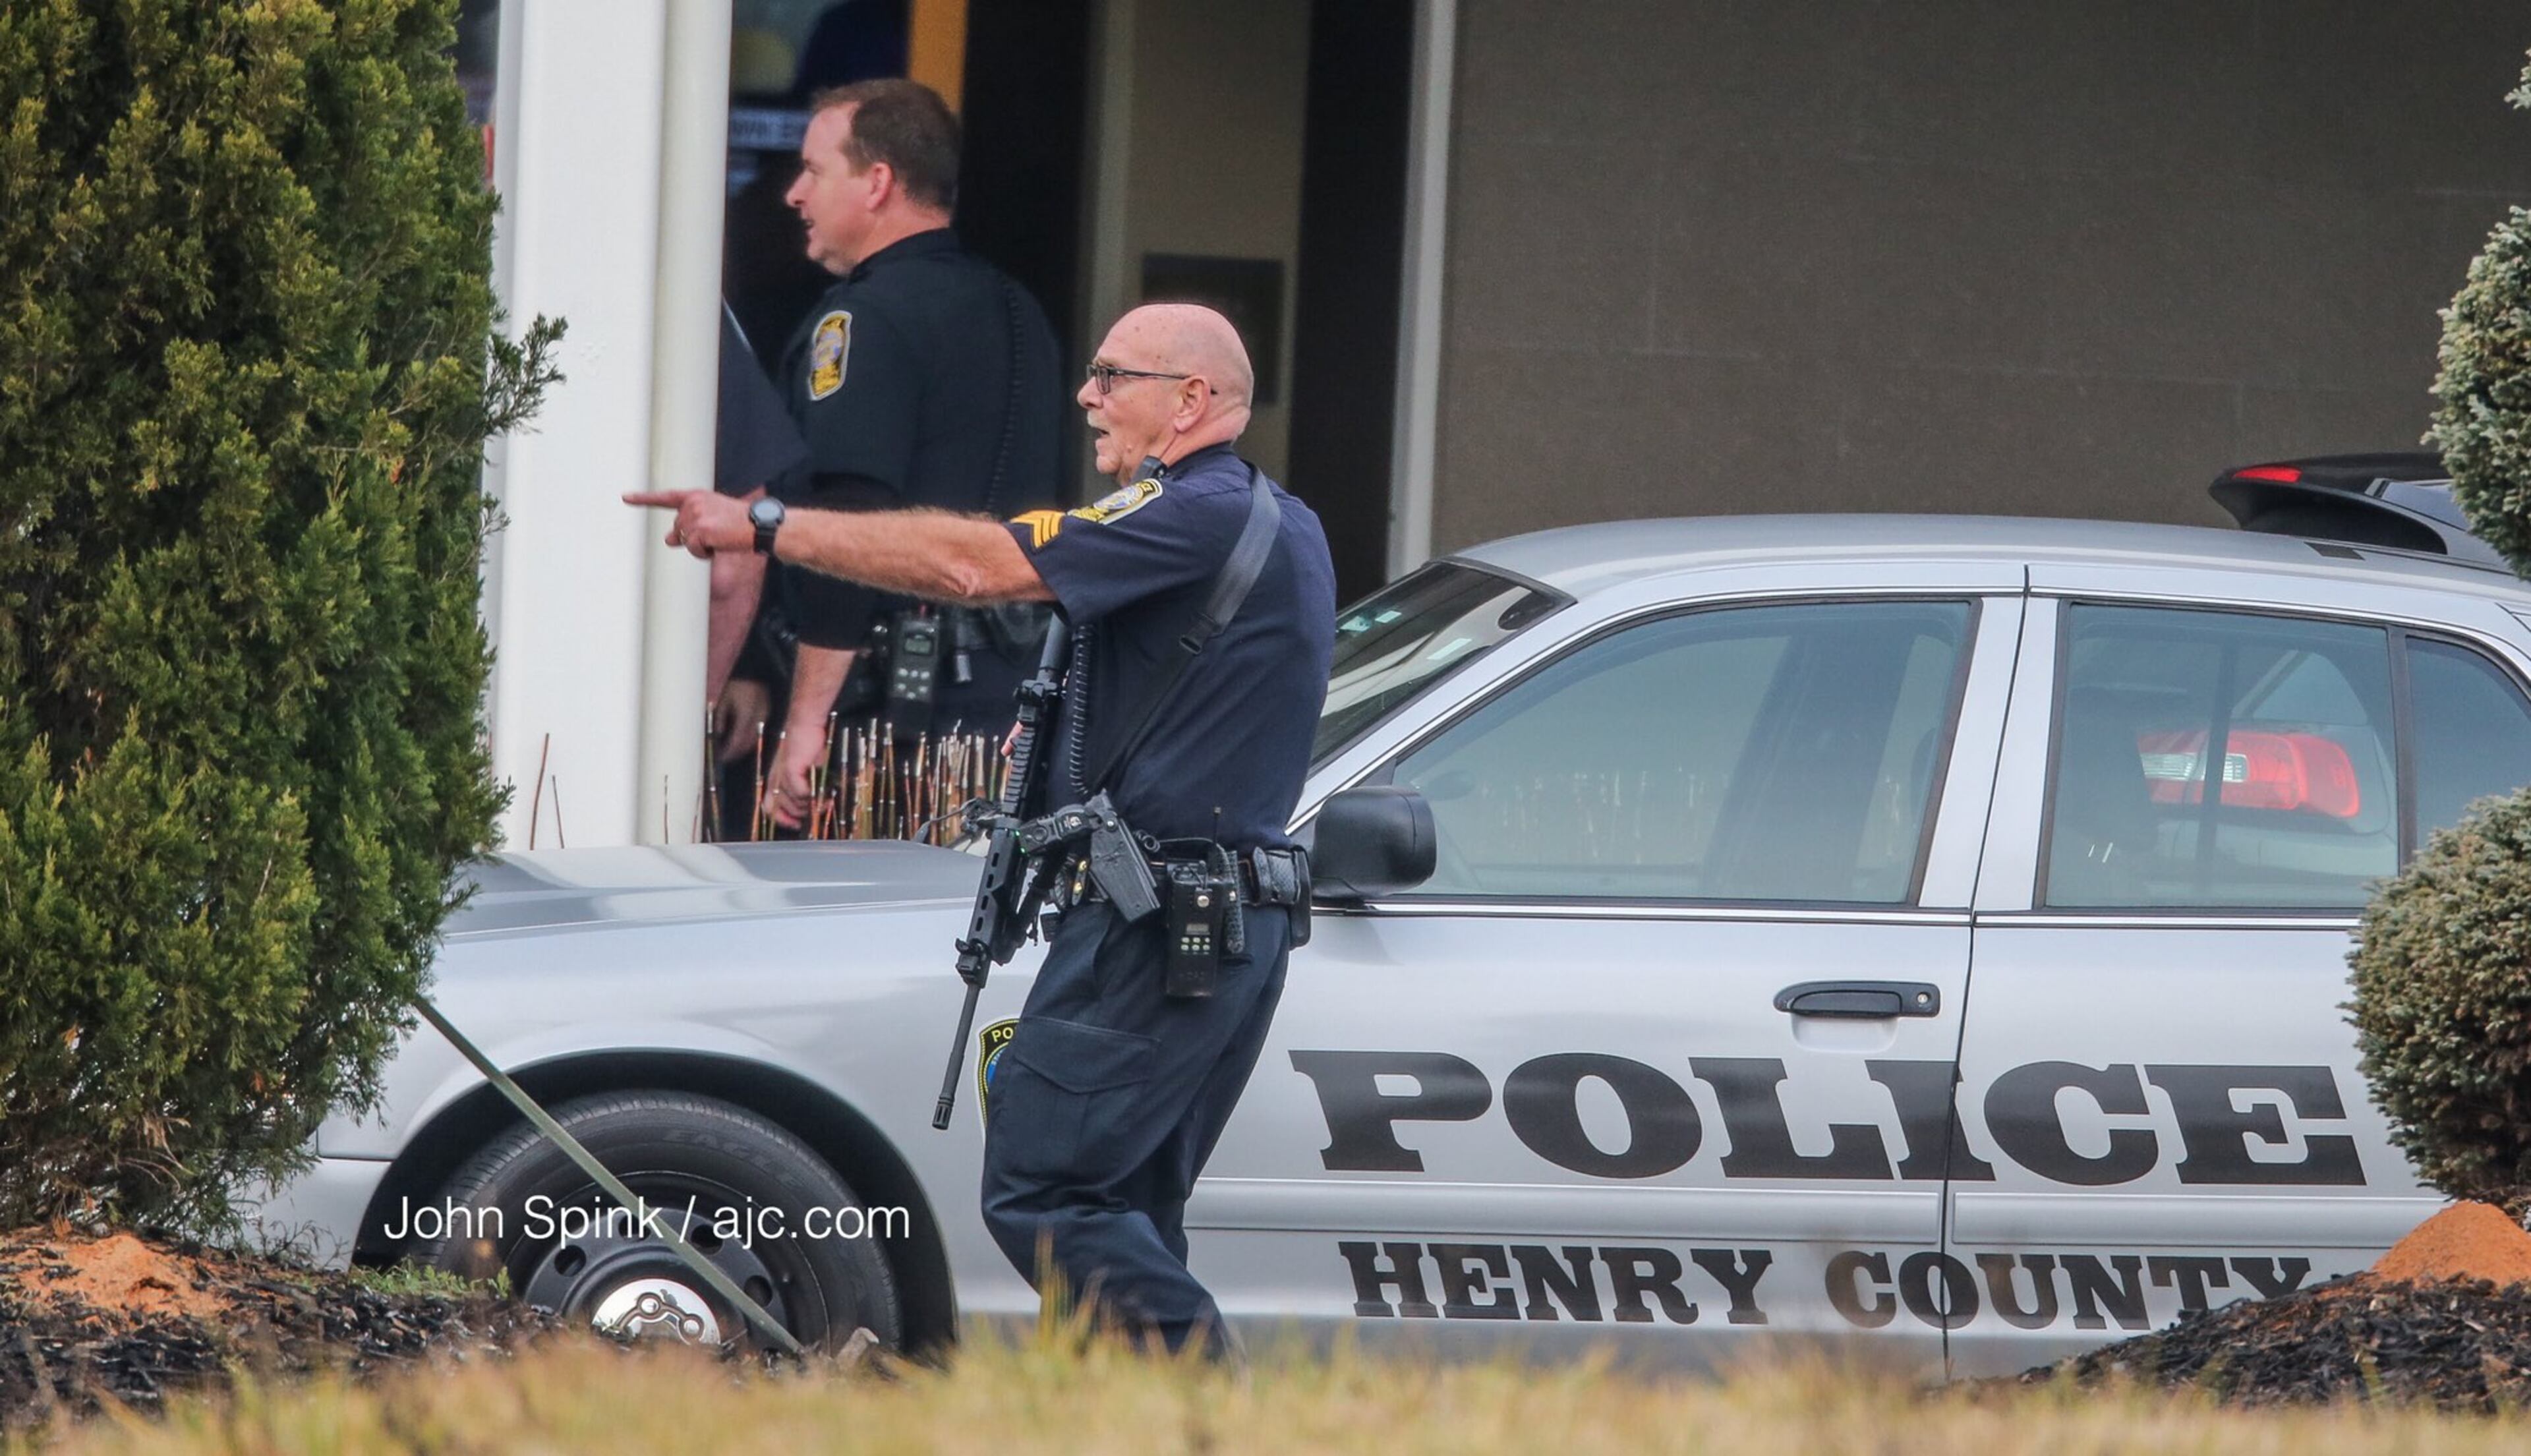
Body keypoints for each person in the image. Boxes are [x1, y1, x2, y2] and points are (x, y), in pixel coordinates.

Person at [627, 303, 1337, 1357]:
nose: (1088, 395)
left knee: (1048, 1193)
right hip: (1202, 926)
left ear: (1191, 400)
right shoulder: (1262, 518)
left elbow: (974, 565)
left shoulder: (1197, 514)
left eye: (1113, 375)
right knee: (1124, 1209)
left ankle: (1212, 1411)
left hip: (1162, 931)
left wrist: (769, 525)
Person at [738, 76, 1065, 829]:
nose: (794, 194)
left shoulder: (861, 321)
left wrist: (809, 720)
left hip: (890, 729)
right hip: (1010, 709)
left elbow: (853, 524)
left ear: (877, 182)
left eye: (815, 170)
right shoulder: (1020, 310)